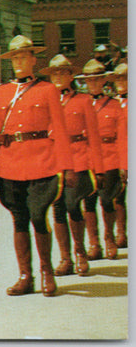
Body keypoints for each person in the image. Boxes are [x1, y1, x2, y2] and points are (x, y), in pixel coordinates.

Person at [0, 35, 73, 297]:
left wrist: (67, 166)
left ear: (33, 60)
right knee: (19, 218)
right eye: (15, 58)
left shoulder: (48, 90)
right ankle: (25, 276)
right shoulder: (1, 93)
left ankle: (46, 272)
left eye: (24, 57)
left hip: (42, 161)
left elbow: (61, 131)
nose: (19, 62)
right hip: (11, 163)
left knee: (38, 215)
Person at [40, 54, 101, 276]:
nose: (58, 76)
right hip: (53, 159)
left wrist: (98, 167)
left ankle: (80, 253)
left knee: (73, 204)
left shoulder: (83, 100)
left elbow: (93, 135)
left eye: (62, 72)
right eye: (54, 72)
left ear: (71, 75)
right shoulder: (45, 100)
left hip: (77, 158)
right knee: (57, 208)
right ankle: (65, 259)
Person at [78, 59, 126, 260]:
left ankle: (109, 239)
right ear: (85, 83)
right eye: (90, 80)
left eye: (97, 80)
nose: (94, 84)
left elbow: (123, 137)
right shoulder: (79, 104)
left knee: (108, 200)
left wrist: (124, 164)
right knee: (88, 202)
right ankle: (94, 244)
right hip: (87, 158)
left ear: (104, 82)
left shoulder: (114, 105)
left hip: (109, 157)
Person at [111, 63, 128, 250]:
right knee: (118, 196)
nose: (121, 82)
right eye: (118, 78)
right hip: (118, 155)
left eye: (125, 78)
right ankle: (121, 233)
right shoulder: (112, 103)